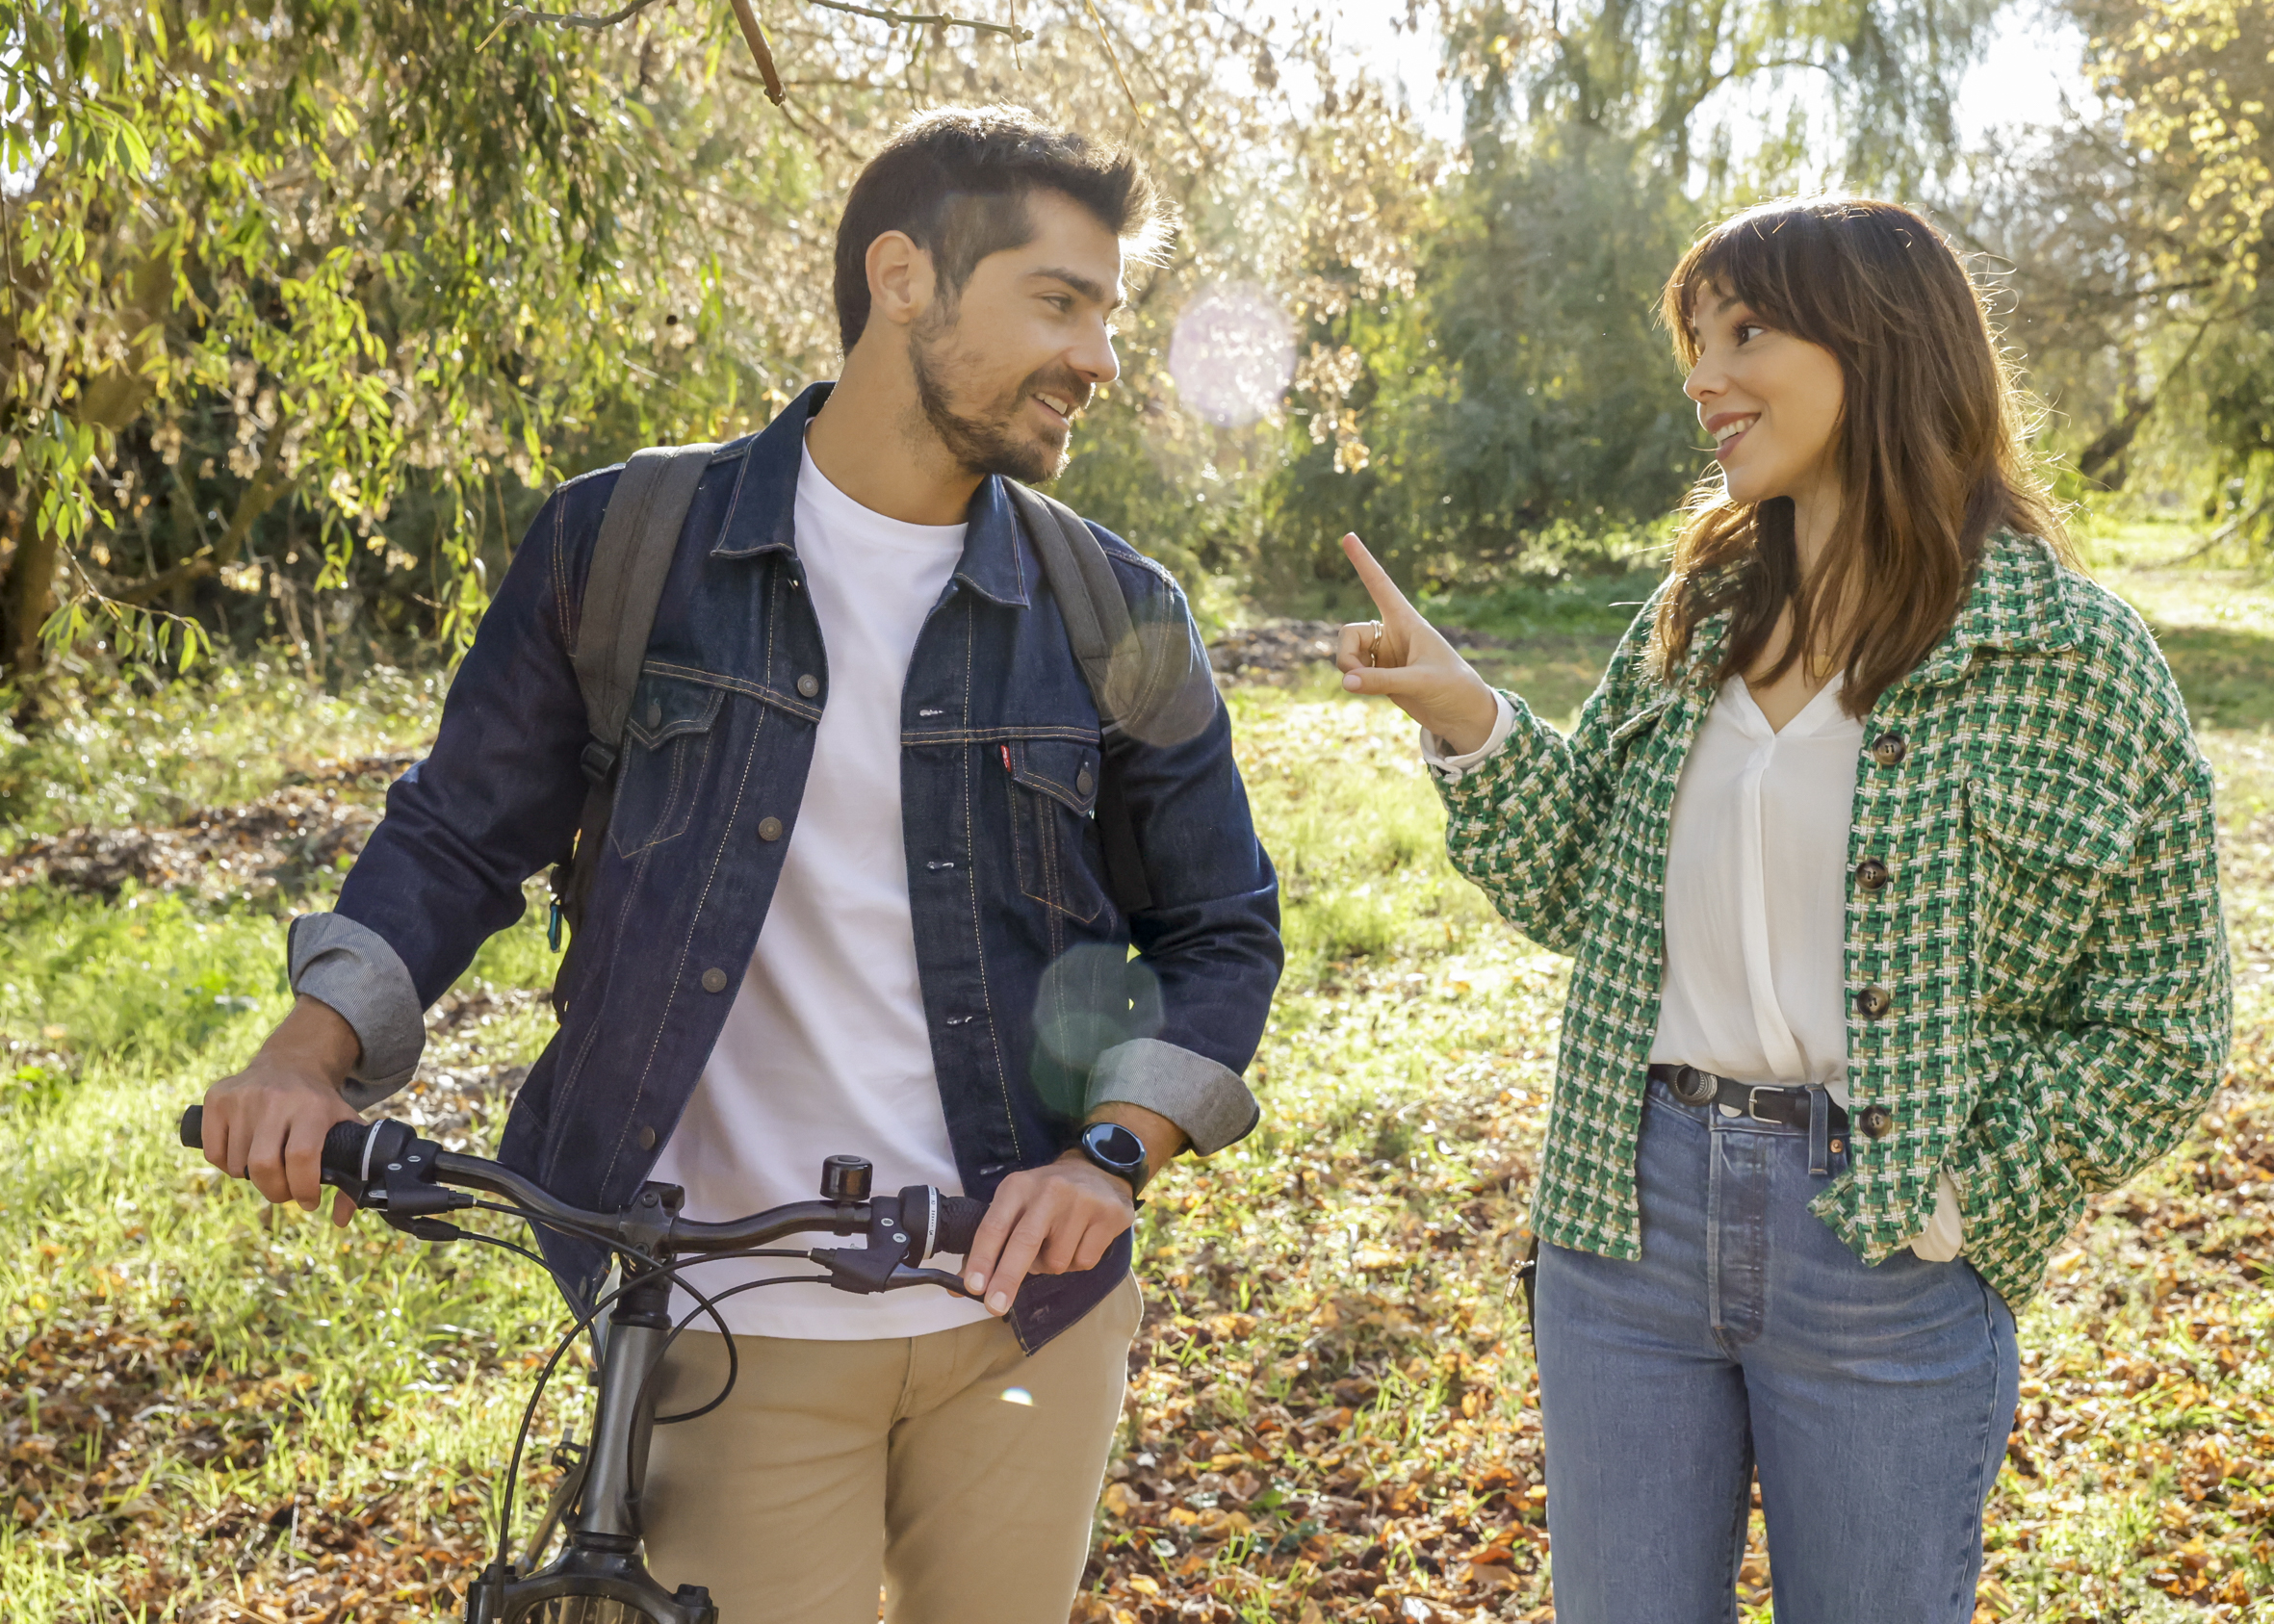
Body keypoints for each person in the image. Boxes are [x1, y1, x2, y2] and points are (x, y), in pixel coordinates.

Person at [195, 104, 1283, 1624]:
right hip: (721, 1315)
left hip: (1022, 1322)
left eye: (1107, 311)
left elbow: (1222, 927)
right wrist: (307, 1060)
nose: (1098, 358)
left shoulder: (1112, 607)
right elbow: (457, 834)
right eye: (1059, 300)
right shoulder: (625, 546)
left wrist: (1111, 1157)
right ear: (901, 277)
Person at [1333, 197, 2229, 1622]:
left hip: (1883, 1245)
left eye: (1744, 331)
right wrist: (1466, 716)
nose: (1703, 376)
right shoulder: (1697, 616)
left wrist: (1964, 1196)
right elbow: (1575, 884)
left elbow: (2161, 1018)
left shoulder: (2072, 659)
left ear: (1881, 346)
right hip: (1624, 1222)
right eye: (1694, 340)